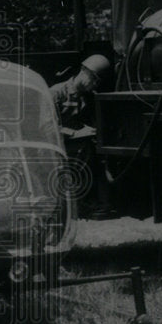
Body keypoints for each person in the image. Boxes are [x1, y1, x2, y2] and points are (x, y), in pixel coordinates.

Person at [49, 54, 115, 220]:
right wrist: (76, 133)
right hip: (58, 147)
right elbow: (46, 128)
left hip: (78, 147)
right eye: (94, 80)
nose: (95, 85)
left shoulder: (88, 97)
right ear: (85, 72)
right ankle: (74, 204)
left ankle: (98, 203)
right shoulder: (56, 93)